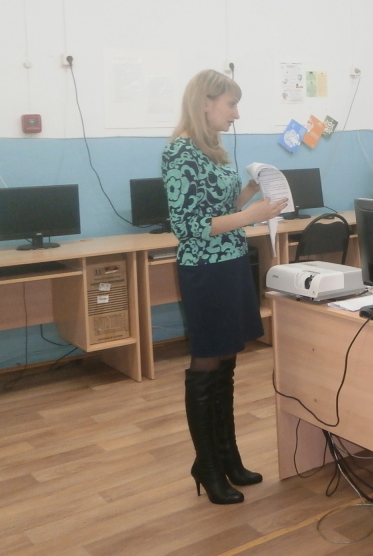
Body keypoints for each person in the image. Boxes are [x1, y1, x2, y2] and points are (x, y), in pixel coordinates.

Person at [162, 69, 288, 505]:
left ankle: (228, 457)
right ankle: (208, 466)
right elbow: (188, 227)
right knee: (207, 361)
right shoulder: (179, 152)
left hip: (231, 260)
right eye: (231, 104)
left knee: (227, 362)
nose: (236, 114)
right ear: (205, 103)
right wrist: (251, 217)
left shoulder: (212, 150)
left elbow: (219, 210)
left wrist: (250, 192)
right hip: (204, 270)